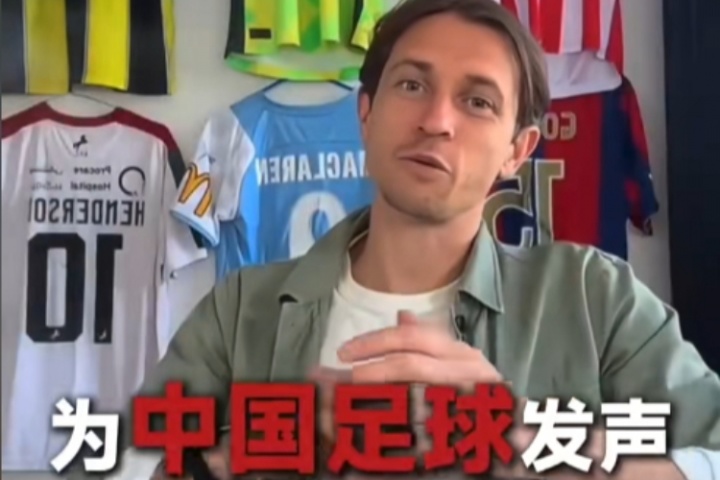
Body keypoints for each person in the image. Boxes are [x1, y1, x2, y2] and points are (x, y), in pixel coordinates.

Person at [104, 0, 720, 478]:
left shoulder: (594, 298)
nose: (437, 121)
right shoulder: (241, 311)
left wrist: (521, 439)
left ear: (517, 150)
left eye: (477, 101)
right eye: (412, 86)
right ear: (365, 115)